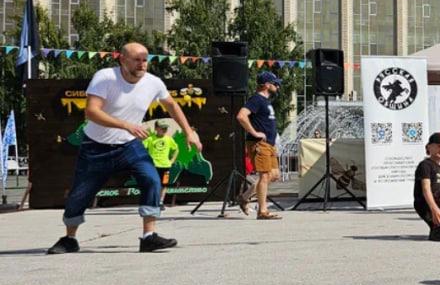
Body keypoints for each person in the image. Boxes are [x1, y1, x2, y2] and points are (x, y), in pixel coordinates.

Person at [48, 42, 203, 254]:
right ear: (122, 59)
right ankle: (69, 239)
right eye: (136, 59)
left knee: (151, 179)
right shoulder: (105, 77)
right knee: (79, 195)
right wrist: (126, 125)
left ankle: (149, 236)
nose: (142, 64)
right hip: (96, 147)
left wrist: (189, 132)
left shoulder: (153, 82)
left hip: (128, 146)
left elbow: (172, 105)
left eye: (145, 60)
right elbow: (91, 112)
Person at [235, 71, 283, 220]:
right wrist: (255, 133)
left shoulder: (266, 101)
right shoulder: (256, 99)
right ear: (267, 85)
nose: (277, 86)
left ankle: (244, 197)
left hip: (269, 144)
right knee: (264, 176)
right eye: (275, 83)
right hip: (259, 143)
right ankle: (262, 211)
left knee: (274, 175)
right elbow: (241, 116)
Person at [143, 120, 179, 205]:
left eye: (165, 128)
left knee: (164, 184)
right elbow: (142, 149)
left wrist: (172, 160)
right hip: (153, 166)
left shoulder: (169, 139)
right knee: (153, 183)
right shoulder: (150, 139)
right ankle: (152, 201)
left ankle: (161, 202)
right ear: (156, 128)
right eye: (162, 128)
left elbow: (176, 149)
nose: (164, 129)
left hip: (166, 166)